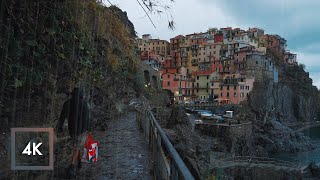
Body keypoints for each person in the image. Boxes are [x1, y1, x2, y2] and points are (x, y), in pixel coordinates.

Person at [56, 87, 90, 178]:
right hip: (82, 130)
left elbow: (62, 116)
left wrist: (60, 127)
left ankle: (79, 163)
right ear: (81, 94)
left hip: (72, 129)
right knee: (77, 146)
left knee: (76, 145)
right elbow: (87, 118)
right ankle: (71, 166)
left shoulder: (67, 103)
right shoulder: (84, 104)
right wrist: (88, 129)